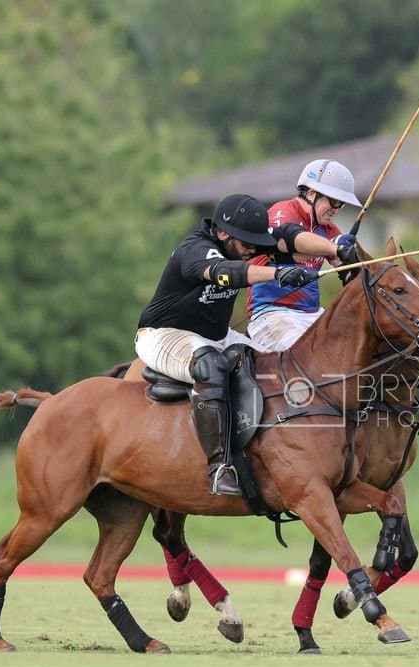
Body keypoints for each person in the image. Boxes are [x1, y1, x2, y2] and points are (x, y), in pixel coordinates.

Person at [135, 193, 361, 496]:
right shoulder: (195, 250)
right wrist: (278, 273)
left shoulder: (243, 242)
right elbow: (228, 274)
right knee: (210, 366)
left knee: (277, 368)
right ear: (224, 233)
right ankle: (219, 468)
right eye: (246, 245)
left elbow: (289, 238)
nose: (251, 251)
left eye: (255, 245)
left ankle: (270, 452)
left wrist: (336, 248)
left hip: (216, 335)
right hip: (164, 334)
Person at [245, 159, 363, 351]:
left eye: (341, 205)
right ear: (311, 193)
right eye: (334, 201)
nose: (337, 210)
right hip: (271, 314)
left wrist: (353, 260)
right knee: (312, 358)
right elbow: (290, 242)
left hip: (312, 314)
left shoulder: (329, 229)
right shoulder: (282, 211)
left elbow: (348, 269)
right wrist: (334, 246)